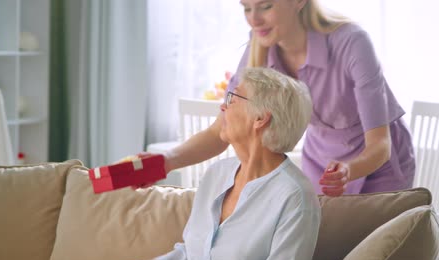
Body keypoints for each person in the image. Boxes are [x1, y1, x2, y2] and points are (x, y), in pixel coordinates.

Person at [104, 67, 321, 260]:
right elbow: (194, 252)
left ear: (260, 118)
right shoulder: (217, 174)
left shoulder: (295, 197)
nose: (222, 107)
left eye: (232, 98)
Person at [150, 0, 415, 197]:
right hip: (322, 164)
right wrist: (165, 161)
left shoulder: (351, 42)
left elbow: (380, 145)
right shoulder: (260, 48)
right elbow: (220, 130)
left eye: (265, 6)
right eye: (246, 8)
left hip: (379, 165)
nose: (254, 19)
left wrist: (349, 170)